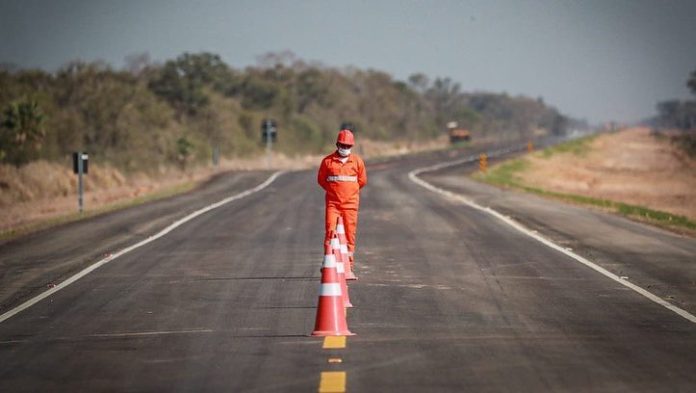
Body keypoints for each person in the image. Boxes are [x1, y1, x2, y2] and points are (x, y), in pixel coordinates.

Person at [317, 129, 367, 279]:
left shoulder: (357, 162)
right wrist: (334, 192)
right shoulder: (327, 161)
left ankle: (348, 267)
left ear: (351, 146)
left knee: (350, 235)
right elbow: (321, 180)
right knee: (330, 233)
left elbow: (362, 181)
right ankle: (328, 263)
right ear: (337, 144)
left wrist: (350, 193)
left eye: (348, 146)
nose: (345, 148)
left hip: (350, 205)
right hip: (333, 205)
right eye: (342, 145)